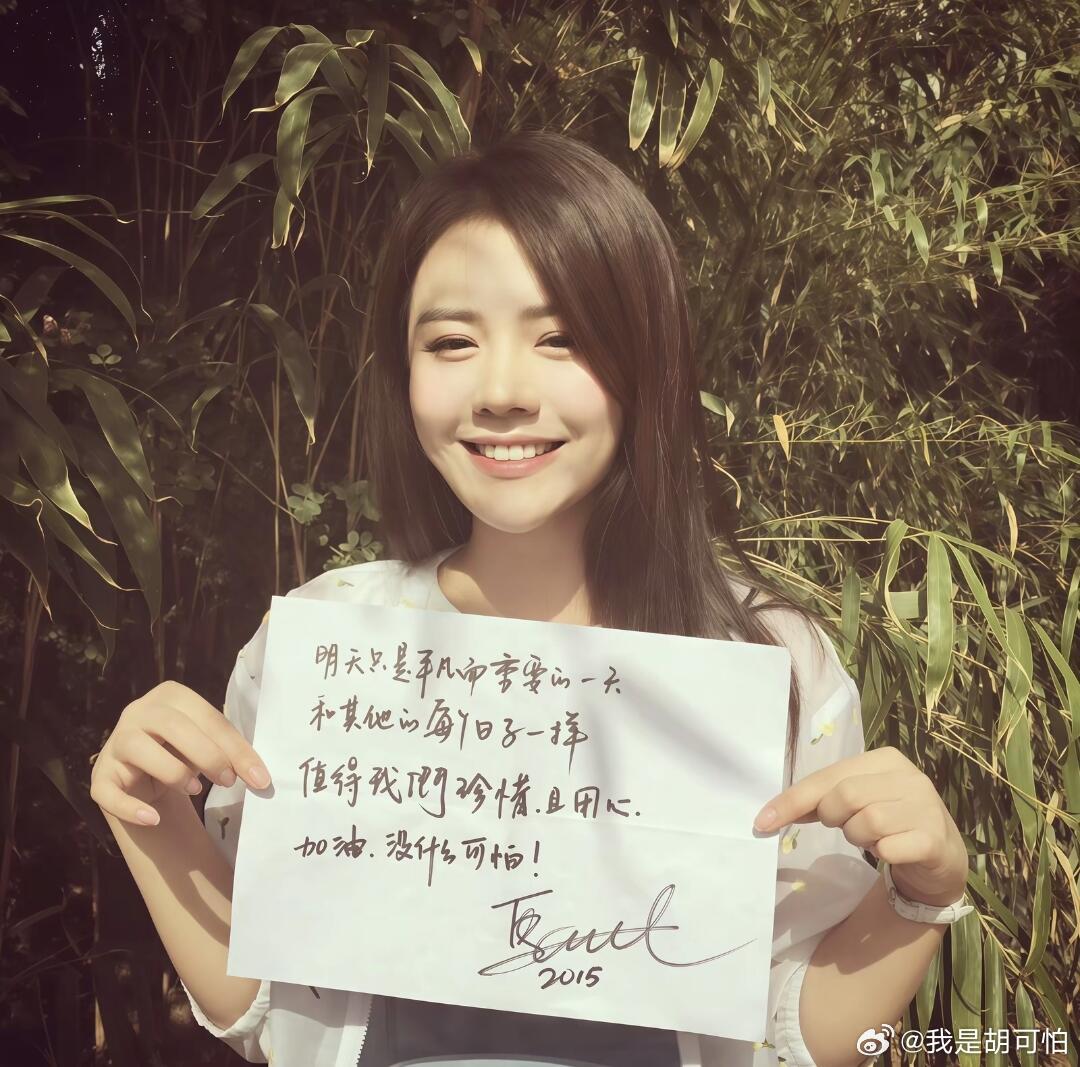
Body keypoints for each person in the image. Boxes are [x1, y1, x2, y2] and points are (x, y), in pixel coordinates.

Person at [91, 129, 973, 1067]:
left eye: (562, 338)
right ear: (402, 371)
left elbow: (793, 1036)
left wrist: (922, 892)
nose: (504, 390)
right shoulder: (325, 642)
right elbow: (266, 1009)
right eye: (452, 342)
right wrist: (152, 818)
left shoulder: (765, 657)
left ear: (647, 362)